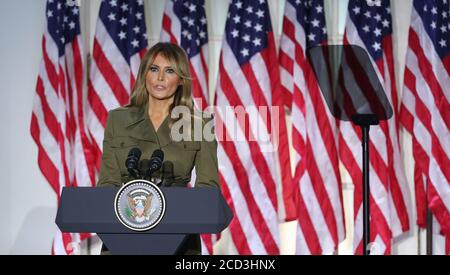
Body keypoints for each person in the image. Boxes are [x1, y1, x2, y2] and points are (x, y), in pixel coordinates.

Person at [97, 42, 219, 255]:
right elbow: (108, 182)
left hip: (178, 239)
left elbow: (207, 189)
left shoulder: (200, 124)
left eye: (169, 70)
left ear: (181, 79)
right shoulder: (118, 119)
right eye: (154, 69)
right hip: (123, 234)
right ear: (145, 74)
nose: (160, 77)